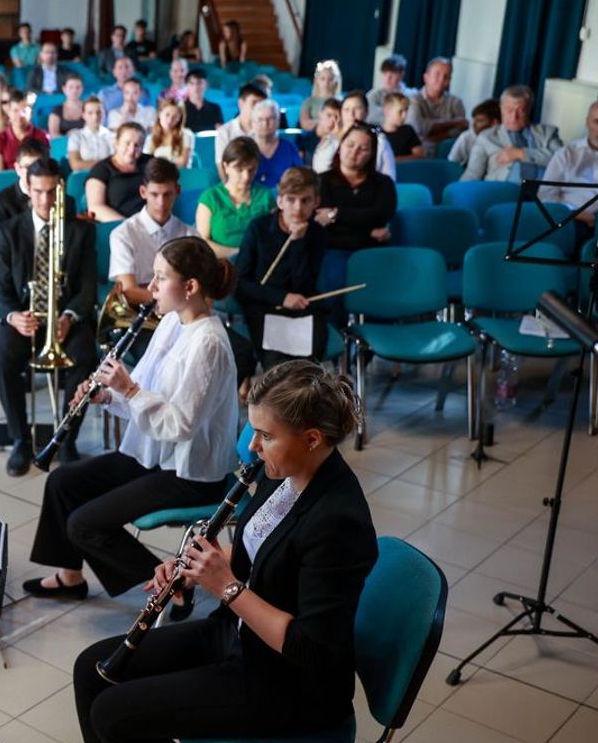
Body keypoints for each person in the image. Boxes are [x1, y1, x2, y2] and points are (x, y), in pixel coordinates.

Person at [73, 359, 378, 742]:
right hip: (235, 634)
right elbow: (260, 548)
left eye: (266, 436)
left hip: (285, 684)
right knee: (90, 670)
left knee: (113, 714)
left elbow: (311, 649)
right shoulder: (282, 472)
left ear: (312, 439)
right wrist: (199, 566)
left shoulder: (338, 521)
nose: (251, 447)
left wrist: (227, 588)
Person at [24, 235, 238, 603]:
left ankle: (173, 589)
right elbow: (147, 390)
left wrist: (130, 390)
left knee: (84, 524)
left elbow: (179, 424)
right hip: (155, 453)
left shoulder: (209, 344)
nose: (149, 287)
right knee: (62, 482)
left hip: (190, 473)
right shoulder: (173, 321)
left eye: (159, 277)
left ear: (190, 287)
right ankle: (70, 576)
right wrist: (109, 395)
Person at [0, 158, 99, 475]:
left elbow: (87, 289)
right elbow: (0, 288)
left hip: (66, 321)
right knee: (5, 354)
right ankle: (21, 441)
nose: (45, 200)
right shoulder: (9, 232)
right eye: (39, 192)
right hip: (25, 318)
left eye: (52, 192)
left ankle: (66, 440)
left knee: (84, 354)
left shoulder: (80, 231)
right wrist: (12, 317)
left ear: (61, 191)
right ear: (28, 190)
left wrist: (68, 315)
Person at [235, 167, 330, 370]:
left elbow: (303, 283)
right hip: (265, 307)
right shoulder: (258, 228)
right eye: (291, 200)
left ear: (316, 202)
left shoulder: (317, 234)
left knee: (307, 367)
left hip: (303, 305)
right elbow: (240, 283)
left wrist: (298, 243)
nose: (298, 208)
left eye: (305, 200)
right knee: (277, 366)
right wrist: (281, 298)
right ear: (280, 201)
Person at [107, 159, 193, 356]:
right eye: (154, 195)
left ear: (177, 191)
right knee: (166, 357)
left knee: (239, 350)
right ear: (143, 192)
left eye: (167, 194)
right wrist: (178, 299)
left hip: (181, 318)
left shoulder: (190, 235)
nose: (161, 203)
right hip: (141, 320)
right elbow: (129, 291)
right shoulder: (123, 234)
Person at [540, 98, 598, 232]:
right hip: (568, 220)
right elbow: (545, 196)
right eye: (597, 122)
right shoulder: (567, 153)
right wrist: (579, 214)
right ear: (587, 123)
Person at [317, 125, 397, 255]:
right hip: (332, 250)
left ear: (372, 154)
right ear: (340, 147)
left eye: (363, 149)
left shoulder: (383, 183)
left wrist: (336, 214)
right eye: (350, 145)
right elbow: (323, 223)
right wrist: (368, 232)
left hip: (373, 251)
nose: (354, 152)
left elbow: (381, 215)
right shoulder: (321, 181)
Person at [461, 85, 563, 182]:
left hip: (542, 193)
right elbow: (473, 173)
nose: (514, 117)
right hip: (504, 192)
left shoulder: (547, 133)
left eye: (521, 111)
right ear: (501, 108)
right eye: (509, 110)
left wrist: (521, 153)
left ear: (529, 110)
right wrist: (459, 194)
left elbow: (563, 160)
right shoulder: (487, 137)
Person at [197, 137, 275, 258]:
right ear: (225, 167)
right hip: (221, 265)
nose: (246, 177)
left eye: (251, 170)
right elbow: (203, 243)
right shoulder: (210, 198)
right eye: (239, 170)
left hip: (259, 263)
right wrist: (238, 253)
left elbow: (274, 237)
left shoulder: (266, 196)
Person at [318, 92, 396, 180]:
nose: (351, 114)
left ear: (366, 111)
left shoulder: (380, 141)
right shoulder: (329, 141)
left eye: (357, 109)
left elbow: (390, 177)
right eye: (346, 109)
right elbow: (319, 173)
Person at [87, 123, 152, 222]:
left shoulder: (150, 162)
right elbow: (95, 207)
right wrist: (129, 226)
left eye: (137, 145)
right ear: (116, 143)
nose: (131, 150)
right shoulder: (101, 169)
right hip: (118, 226)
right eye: (127, 143)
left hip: (151, 223)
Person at [410, 57, 468, 153]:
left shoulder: (456, 102)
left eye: (446, 76)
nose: (441, 79)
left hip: (446, 152)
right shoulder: (413, 99)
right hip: (418, 153)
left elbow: (462, 128)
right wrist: (453, 122)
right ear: (426, 77)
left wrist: (435, 136)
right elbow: (418, 127)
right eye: (437, 74)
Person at [213, 83, 267, 177]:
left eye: (261, 105)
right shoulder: (225, 131)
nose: (257, 108)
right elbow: (222, 166)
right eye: (254, 103)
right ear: (241, 103)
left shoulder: (266, 130)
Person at [0, 90, 49, 173]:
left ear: (31, 113)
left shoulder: (40, 136)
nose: (19, 116)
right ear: (9, 112)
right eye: (15, 110)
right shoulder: (0, 138)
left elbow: (45, 167)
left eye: (24, 111)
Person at [251, 100, 303, 187]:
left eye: (270, 119)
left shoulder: (289, 148)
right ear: (253, 123)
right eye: (260, 119)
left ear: (278, 122)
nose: (265, 124)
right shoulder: (245, 149)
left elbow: (300, 178)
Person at [67, 98, 116, 174]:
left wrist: (86, 164)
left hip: (107, 175)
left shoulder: (111, 135)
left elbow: (116, 161)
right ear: (83, 115)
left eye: (99, 112)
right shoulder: (76, 136)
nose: (95, 117)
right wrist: (104, 164)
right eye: (90, 113)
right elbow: (75, 164)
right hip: (83, 176)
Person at [143, 100, 193, 168]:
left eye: (175, 117)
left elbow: (183, 163)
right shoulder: (151, 138)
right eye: (167, 115)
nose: (170, 120)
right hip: (156, 174)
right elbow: (147, 162)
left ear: (179, 119)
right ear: (160, 114)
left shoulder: (185, 135)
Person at [447, 98, 498, 166]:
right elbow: (450, 165)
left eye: (479, 121)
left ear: (494, 123)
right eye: (474, 120)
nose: (473, 125)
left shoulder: (505, 139)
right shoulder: (466, 138)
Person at [365, 54, 411, 125]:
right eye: (385, 73)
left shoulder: (411, 95)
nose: (388, 77)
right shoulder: (373, 95)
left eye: (393, 73)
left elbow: (411, 118)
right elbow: (369, 116)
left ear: (402, 74)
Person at [298, 60, 342, 134]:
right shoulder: (308, 102)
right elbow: (305, 124)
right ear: (317, 80)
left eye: (330, 79)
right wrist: (324, 122)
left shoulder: (341, 102)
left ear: (336, 81)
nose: (326, 83)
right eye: (322, 79)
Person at [381, 93, 424, 161]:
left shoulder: (408, 130)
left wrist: (394, 160)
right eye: (400, 111)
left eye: (406, 110)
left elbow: (420, 155)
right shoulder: (377, 134)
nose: (404, 115)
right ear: (387, 112)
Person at [182, 69, 224, 134]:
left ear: (206, 84)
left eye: (199, 83)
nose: (196, 87)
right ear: (187, 86)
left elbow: (220, 131)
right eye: (192, 83)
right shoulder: (181, 108)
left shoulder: (215, 108)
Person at [310, 98, 344, 173]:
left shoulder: (338, 142)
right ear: (320, 114)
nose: (332, 120)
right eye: (329, 115)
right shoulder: (305, 139)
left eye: (336, 117)